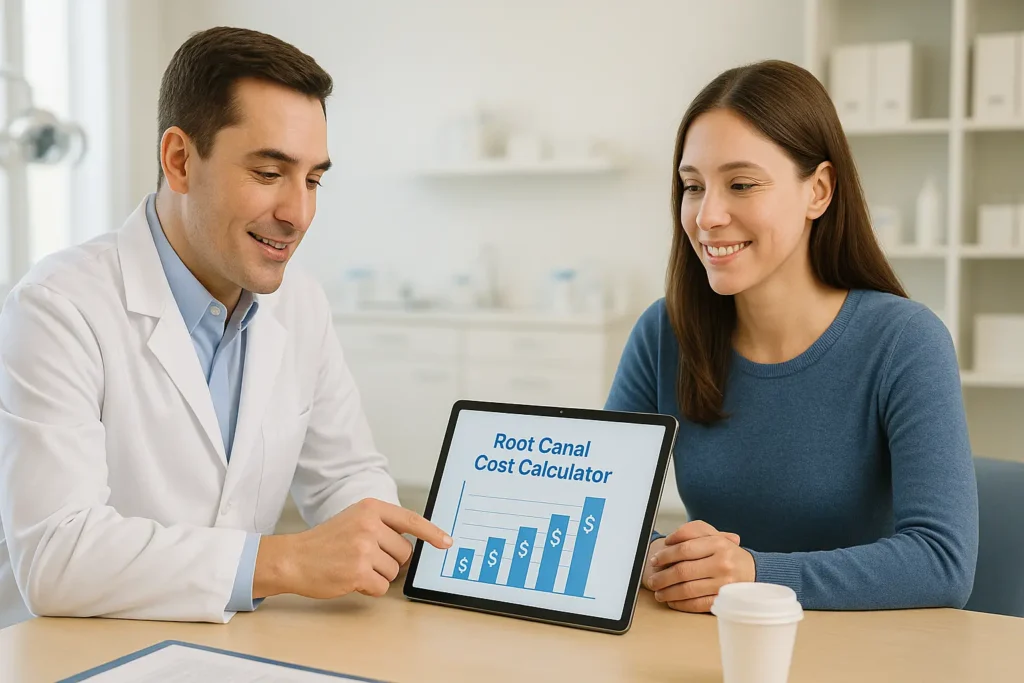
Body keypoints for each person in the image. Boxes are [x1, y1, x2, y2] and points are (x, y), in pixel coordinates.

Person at [0, 26, 451, 630]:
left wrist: (386, 540)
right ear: (180, 160)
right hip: (74, 652)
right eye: (269, 174)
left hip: (231, 647)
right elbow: (56, 556)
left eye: (313, 179)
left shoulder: (300, 303)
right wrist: (284, 560)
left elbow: (345, 472)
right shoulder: (57, 306)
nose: (298, 214)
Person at [606, 60, 978, 613]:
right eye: (692, 186)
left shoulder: (904, 341)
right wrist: (657, 557)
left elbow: (942, 561)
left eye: (741, 184)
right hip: (714, 647)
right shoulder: (665, 332)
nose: (707, 216)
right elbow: (606, 511)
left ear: (818, 191)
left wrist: (755, 572)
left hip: (861, 653)